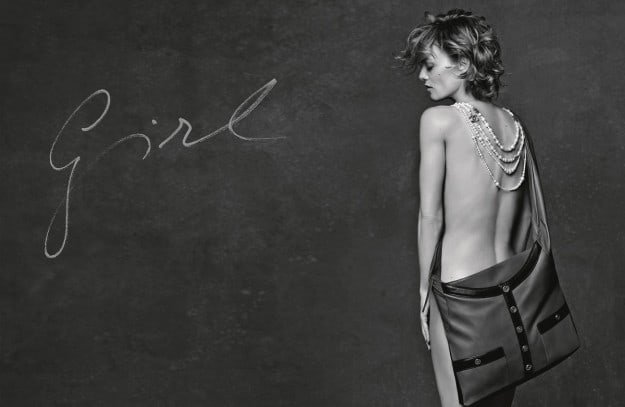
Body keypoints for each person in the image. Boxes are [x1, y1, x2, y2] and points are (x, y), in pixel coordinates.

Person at [395, 9, 533, 407]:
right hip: (512, 292)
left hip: (461, 293)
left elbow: (431, 216)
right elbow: (525, 219)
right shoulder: (514, 126)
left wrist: (425, 290)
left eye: (430, 64)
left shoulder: (437, 121)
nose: (423, 76)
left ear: (463, 63)